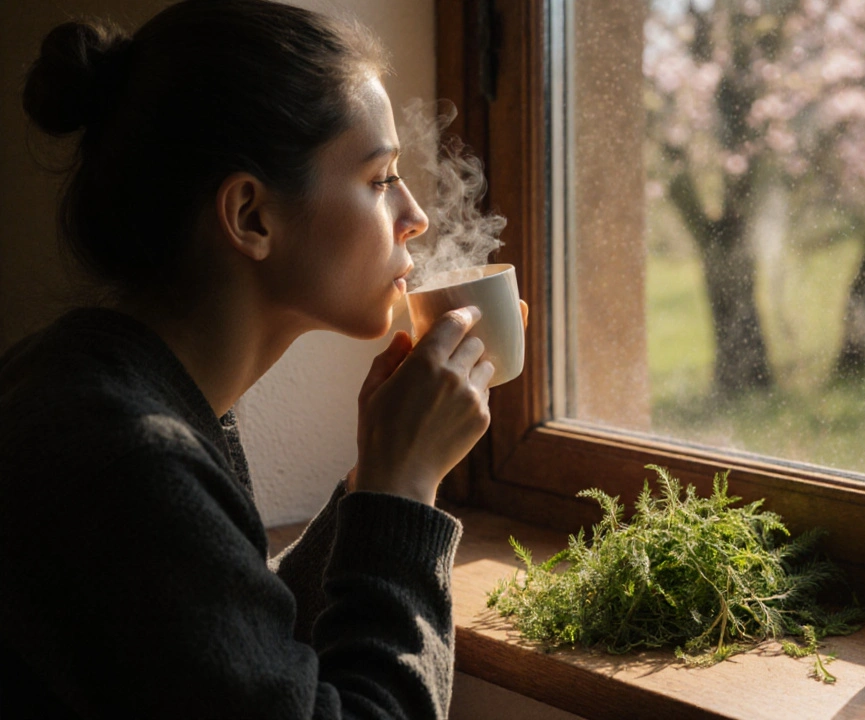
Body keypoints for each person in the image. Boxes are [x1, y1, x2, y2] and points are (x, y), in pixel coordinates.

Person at [0, 0, 521, 716]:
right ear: (251, 216)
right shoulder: (127, 457)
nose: (417, 215)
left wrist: (376, 476)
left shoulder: (104, 390)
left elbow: (239, 654)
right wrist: (403, 494)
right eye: (379, 178)